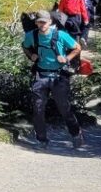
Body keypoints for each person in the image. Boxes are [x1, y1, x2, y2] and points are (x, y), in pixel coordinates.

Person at [23, 10, 84, 148]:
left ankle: (75, 133)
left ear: (50, 22)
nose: (42, 24)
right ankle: (41, 139)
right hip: (41, 76)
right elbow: (25, 46)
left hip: (59, 76)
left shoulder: (60, 35)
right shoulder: (31, 36)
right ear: (36, 23)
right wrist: (31, 55)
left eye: (45, 22)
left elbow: (77, 47)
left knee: (64, 108)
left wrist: (67, 58)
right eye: (40, 22)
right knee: (38, 109)